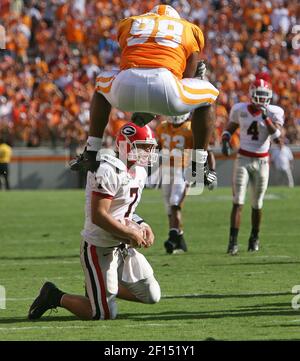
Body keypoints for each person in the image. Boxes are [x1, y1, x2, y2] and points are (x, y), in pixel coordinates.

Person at [70, 4, 219, 188]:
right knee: (209, 95)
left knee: (101, 84)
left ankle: (91, 152)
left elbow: (128, 54)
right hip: (165, 86)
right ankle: (199, 164)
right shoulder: (189, 29)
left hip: (127, 85)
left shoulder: (130, 22)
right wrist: (197, 75)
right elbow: (186, 78)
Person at [28, 123, 161, 320]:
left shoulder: (139, 172)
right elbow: (99, 215)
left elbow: (125, 209)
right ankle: (54, 296)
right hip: (99, 247)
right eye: (143, 146)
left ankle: (97, 289)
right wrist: (130, 233)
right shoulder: (108, 169)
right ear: (126, 145)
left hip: (122, 246)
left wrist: (142, 224)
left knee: (151, 295)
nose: (148, 152)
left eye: (150, 147)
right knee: (101, 313)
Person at [222, 76, 284, 255]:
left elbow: (277, 137)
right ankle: (233, 242)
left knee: (257, 203)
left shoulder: (274, 112)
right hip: (243, 158)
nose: (261, 98)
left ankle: (254, 238)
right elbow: (230, 127)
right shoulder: (239, 109)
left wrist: (266, 118)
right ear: (251, 94)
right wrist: (225, 138)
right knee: (237, 201)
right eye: (258, 94)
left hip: (262, 161)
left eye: (264, 95)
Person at [156, 112, 216, 254]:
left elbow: (207, 150)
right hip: (165, 170)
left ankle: (172, 237)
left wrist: (212, 171)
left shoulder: (190, 128)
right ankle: (179, 239)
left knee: (175, 203)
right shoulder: (162, 127)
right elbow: (159, 146)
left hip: (183, 170)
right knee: (169, 208)